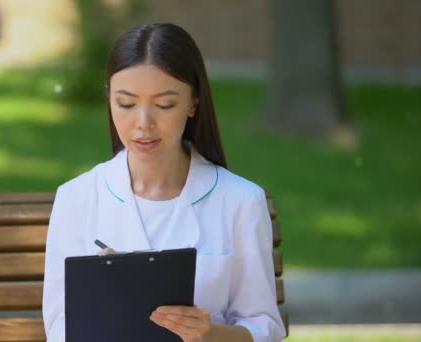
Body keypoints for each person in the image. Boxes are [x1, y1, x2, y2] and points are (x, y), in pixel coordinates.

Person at [42, 23, 286, 342]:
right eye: (126, 104)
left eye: (164, 105)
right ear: (109, 99)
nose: (143, 124)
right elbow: (61, 326)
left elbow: (264, 325)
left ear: (193, 102)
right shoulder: (77, 198)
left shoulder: (240, 201)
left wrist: (212, 335)